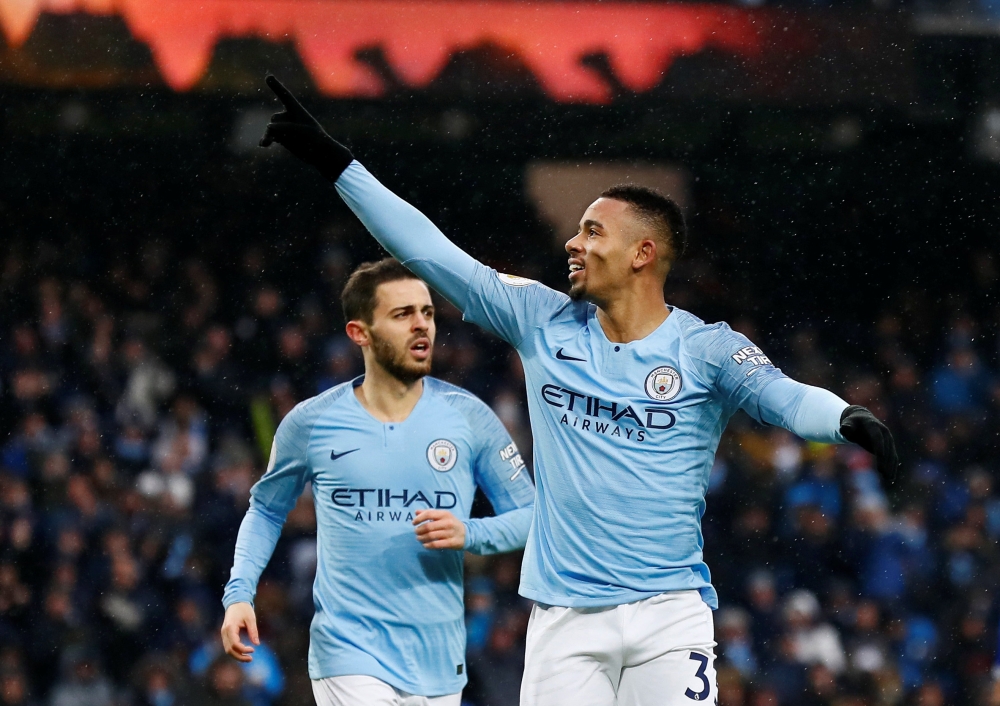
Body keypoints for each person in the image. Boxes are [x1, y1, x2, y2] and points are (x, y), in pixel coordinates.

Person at [257, 76, 898, 706]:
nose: (573, 240)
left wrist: (845, 417)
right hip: (564, 619)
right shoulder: (542, 321)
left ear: (643, 253)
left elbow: (782, 396)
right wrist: (335, 163)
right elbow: (431, 252)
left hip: (669, 618)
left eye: (593, 232)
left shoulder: (707, 349)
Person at [220, 259, 536, 706]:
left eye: (426, 313)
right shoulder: (312, 422)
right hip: (349, 651)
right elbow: (267, 508)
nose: (422, 326)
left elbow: (532, 516)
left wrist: (471, 533)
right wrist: (239, 594)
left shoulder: (469, 417)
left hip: (439, 660)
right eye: (402, 314)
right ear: (359, 333)